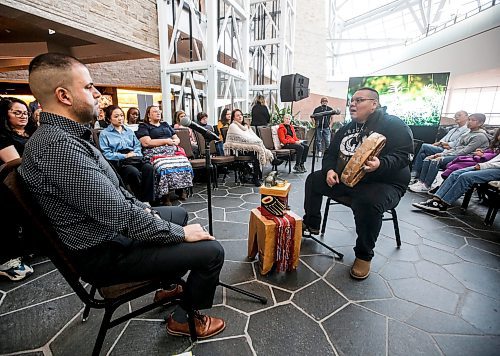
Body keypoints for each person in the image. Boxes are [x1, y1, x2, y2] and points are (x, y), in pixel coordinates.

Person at [20, 53, 225, 338]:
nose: (97, 94)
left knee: (177, 213)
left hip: (110, 234)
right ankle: (183, 318)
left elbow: (116, 196)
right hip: (106, 252)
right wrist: (178, 234)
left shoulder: (66, 137)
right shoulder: (57, 148)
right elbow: (119, 215)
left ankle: (166, 288)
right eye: (89, 87)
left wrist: (148, 211)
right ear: (63, 95)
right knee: (212, 251)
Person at [303, 88, 413, 280]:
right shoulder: (346, 128)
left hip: (384, 182)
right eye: (351, 100)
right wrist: (329, 170)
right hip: (348, 179)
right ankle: (311, 224)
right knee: (314, 180)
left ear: (374, 104)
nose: (352, 104)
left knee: (368, 202)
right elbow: (330, 154)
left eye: (359, 100)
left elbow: (404, 156)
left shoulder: (394, 124)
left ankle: (364, 255)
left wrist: (381, 164)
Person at [0, 97, 37, 281]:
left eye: (25, 112)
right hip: (17, 180)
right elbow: (14, 163)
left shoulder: (33, 131)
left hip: (37, 175)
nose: (23, 116)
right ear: (6, 115)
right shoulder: (3, 136)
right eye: (17, 112)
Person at [409, 113, 490, 193]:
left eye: (473, 120)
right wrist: (442, 153)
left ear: (480, 123)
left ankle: (426, 185)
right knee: (428, 158)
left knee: (436, 160)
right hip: (456, 154)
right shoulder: (467, 133)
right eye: (469, 119)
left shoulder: (480, 136)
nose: (469, 122)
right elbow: (456, 147)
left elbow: (465, 152)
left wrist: (442, 155)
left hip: (466, 158)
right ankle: (421, 182)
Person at [136, 106, 193, 205]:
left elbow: (176, 138)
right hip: (155, 152)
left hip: (171, 150)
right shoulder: (144, 126)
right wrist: (165, 141)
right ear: (148, 115)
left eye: (159, 111)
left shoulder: (165, 124)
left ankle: (180, 189)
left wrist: (174, 142)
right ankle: (165, 195)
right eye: (154, 112)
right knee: (163, 167)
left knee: (185, 164)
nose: (158, 113)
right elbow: (146, 143)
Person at [99, 105, 155, 203]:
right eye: (116, 116)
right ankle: (139, 201)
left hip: (134, 157)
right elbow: (106, 154)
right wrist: (124, 156)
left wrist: (135, 153)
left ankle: (147, 200)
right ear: (108, 118)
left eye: (121, 115)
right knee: (133, 172)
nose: (120, 118)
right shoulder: (105, 134)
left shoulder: (128, 131)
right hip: (119, 161)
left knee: (149, 168)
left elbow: (137, 145)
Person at [412, 154, 500, 213]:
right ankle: (436, 200)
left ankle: (443, 204)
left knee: (465, 177)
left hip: (497, 169)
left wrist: (484, 165)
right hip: (490, 165)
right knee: (456, 173)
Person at [410, 110, 469, 183]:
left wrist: (442, 144)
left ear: (466, 117)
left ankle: (414, 173)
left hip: (450, 151)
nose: (456, 117)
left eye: (459, 115)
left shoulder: (467, 130)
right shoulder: (453, 129)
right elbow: (442, 140)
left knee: (424, 146)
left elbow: (455, 144)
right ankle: (419, 179)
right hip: (442, 148)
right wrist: (442, 144)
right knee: (423, 154)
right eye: (455, 115)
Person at [224, 108, 275, 186]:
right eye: (237, 115)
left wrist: (257, 142)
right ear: (233, 118)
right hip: (238, 150)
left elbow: (254, 137)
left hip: (249, 147)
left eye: (241, 115)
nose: (240, 117)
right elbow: (242, 139)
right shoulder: (233, 126)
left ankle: (257, 175)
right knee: (256, 153)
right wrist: (255, 143)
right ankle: (256, 177)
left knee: (257, 150)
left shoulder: (246, 126)